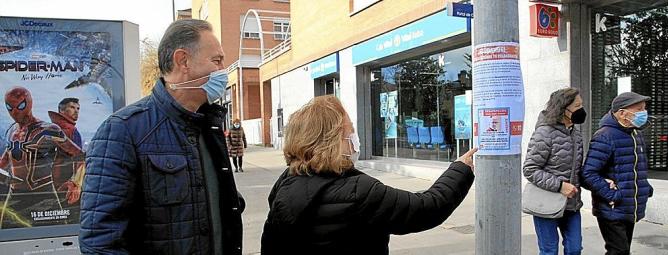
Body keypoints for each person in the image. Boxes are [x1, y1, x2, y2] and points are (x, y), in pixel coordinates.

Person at [79, 20, 244, 254]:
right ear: (182, 60)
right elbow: (100, 243)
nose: (223, 70)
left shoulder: (209, 127)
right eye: (216, 61)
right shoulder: (122, 131)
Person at [261, 95, 477, 254]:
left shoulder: (285, 183)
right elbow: (426, 208)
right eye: (350, 131)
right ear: (333, 141)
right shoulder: (360, 191)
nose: (354, 138)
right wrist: (460, 169)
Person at [581, 92, 654, 255]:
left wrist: (644, 187)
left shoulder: (636, 133)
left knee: (622, 250)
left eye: (644, 108)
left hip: (629, 206)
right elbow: (587, 174)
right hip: (612, 208)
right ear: (622, 113)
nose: (644, 113)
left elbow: (634, 167)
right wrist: (612, 195)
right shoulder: (605, 136)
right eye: (639, 109)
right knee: (618, 251)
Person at [1, 87, 83, 229]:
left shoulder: (47, 129)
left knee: (57, 235)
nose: (14, 112)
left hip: (43, 194)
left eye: (20, 106)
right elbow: (4, 161)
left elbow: (79, 155)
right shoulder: (12, 131)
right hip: (15, 194)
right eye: (9, 107)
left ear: (29, 103)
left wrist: (76, 183)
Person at [523, 88, 586, 255]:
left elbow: (577, 169)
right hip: (546, 203)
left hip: (571, 205)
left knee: (574, 249)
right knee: (549, 250)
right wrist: (560, 186)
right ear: (563, 108)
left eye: (582, 105)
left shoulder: (576, 134)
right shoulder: (544, 133)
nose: (581, 110)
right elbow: (530, 169)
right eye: (577, 106)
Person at [49, 98, 85, 205]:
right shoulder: (71, 131)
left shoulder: (51, 128)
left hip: (51, 180)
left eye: (78, 108)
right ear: (61, 110)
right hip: (67, 181)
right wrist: (76, 183)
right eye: (72, 107)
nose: (76, 111)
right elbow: (79, 159)